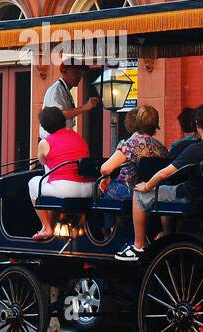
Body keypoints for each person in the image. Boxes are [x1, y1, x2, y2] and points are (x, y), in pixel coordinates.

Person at [120, 102, 203, 260]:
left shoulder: (195, 149)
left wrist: (147, 185)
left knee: (139, 193)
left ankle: (139, 246)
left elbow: (166, 173)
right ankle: (166, 236)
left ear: (198, 125)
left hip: (192, 197)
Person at [29, 107, 94, 239]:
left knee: (33, 183)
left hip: (66, 188)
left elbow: (42, 162)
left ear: (45, 127)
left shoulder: (45, 142)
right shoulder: (78, 137)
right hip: (89, 188)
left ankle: (46, 228)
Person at [99, 104, 166, 201]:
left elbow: (105, 169)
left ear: (137, 121)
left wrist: (107, 177)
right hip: (153, 192)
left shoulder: (130, 144)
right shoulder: (161, 148)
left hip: (130, 190)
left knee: (101, 189)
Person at [39, 61, 99, 138]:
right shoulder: (56, 90)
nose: (79, 76)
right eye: (76, 72)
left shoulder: (64, 91)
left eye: (81, 73)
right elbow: (58, 115)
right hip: (52, 141)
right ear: (64, 72)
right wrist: (85, 107)